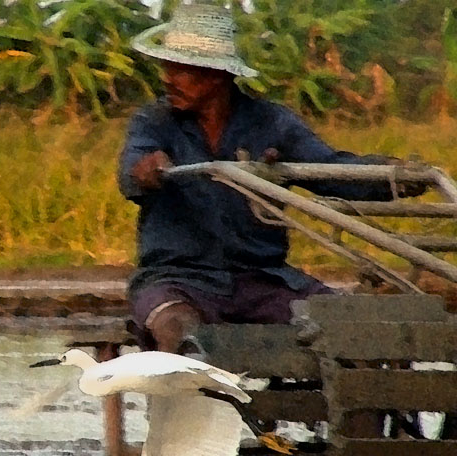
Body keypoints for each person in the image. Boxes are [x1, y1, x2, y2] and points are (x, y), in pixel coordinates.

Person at [118, 1, 424, 354]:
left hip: (263, 279)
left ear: (216, 74)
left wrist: (394, 177)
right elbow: (131, 173)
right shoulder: (154, 122)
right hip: (178, 278)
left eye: (180, 70)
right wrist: (145, 172)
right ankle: (194, 395)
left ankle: (359, 404)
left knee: (348, 328)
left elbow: (330, 171)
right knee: (178, 329)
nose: (168, 79)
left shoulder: (272, 124)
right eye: (167, 68)